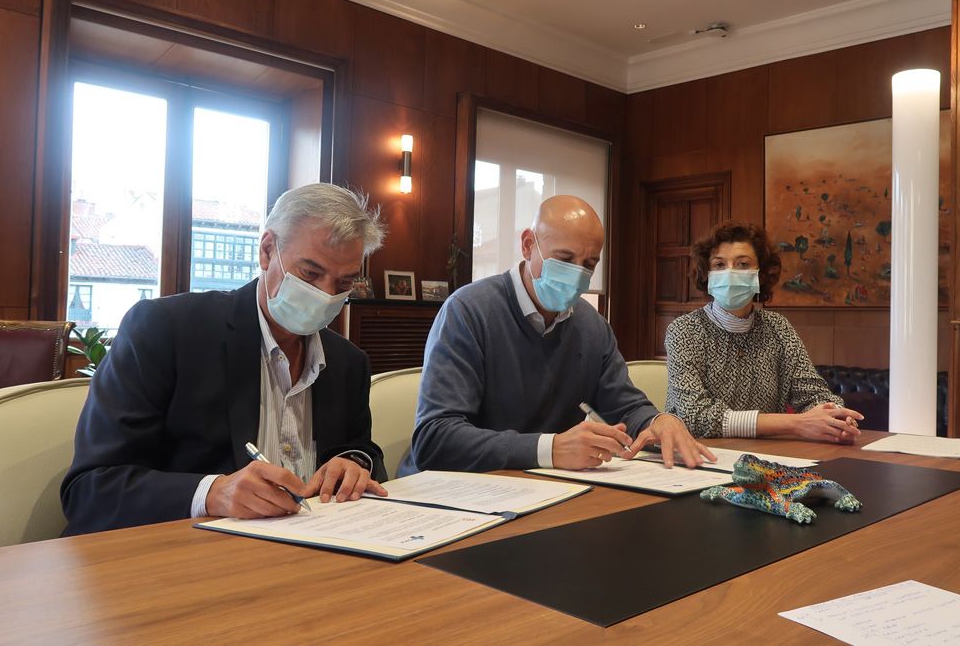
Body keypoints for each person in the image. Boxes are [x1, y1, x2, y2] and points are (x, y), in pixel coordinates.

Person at [61, 184, 390, 535]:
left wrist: (355, 465)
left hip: (314, 556)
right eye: (309, 273)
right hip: (183, 559)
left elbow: (360, 449)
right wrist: (212, 493)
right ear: (267, 251)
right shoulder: (167, 331)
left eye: (343, 282)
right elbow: (90, 488)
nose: (325, 294)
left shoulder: (347, 362)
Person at [400, 195, 715, 476]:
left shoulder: (592, 326)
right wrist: (549, 449)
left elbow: (626, 405)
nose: (578, 273)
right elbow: (435, 438)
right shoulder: (468, 311)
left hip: (543, 489)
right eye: (565, 259)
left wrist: (658, 422)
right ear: (527, 245)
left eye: (589, 264)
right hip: (453, 492)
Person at [665, 220, 863, 444]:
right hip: (696, 458)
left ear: (760, 274)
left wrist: (836, 416)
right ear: (706, 274)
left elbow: (811, 392)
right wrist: (796, 424)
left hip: (764, 457)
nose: (730, 272)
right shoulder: (684, 330)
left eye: (742, 264)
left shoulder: (777, 327)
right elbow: (695, 416)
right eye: (719, 265)